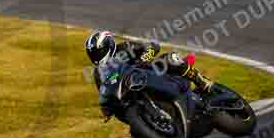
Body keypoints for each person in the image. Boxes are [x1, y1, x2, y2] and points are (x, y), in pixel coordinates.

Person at [85, 30, 214, 93]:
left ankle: (202, 81)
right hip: (133, 90)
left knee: (170, 59)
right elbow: (105, 92)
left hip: (151, 72)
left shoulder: (125, 48)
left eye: (98, 52)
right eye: (93, 54)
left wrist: (142, 61)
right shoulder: (98, 73)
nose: (97, 56)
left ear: (109, 45)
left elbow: (154, 46)